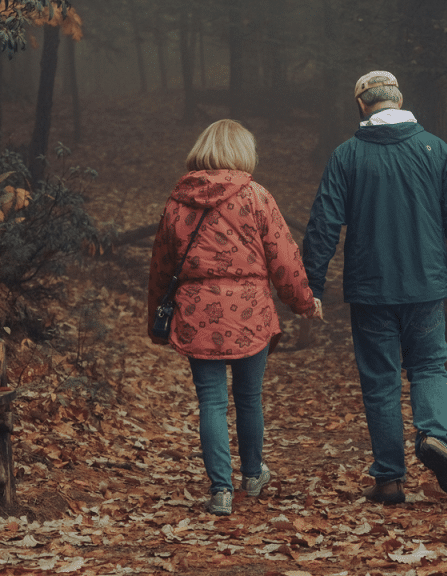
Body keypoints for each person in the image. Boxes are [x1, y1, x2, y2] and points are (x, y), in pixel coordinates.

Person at [303, 71, 447, 503]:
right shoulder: (435, 149)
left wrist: (312, 286)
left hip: (371, 289)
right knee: (429, 366)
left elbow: (324, 224)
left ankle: (388, 479)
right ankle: (435, 436)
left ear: (362, 105)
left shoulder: (347, 156)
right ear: (399, 100)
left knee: (380, 380)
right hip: (427, 285)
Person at [148, 119, 321, 516]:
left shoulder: (178, 200)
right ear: (243, 151)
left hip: (196, 312)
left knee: (211, 401)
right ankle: (253, 474)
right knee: (248, 399)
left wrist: (155, 318)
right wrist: (304, 302)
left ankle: (220, 490)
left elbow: (161, 265)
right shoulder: (256, 197)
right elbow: (284, 257)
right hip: (249, 313)